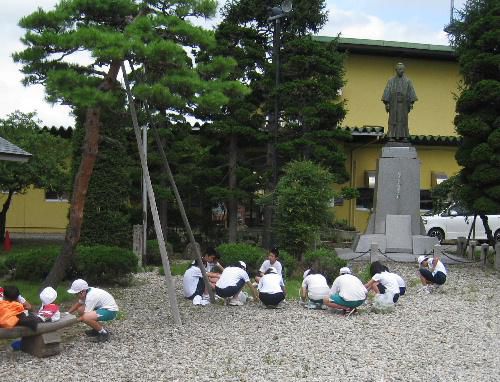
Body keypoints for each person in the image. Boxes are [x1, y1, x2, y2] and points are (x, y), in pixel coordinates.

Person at [381, 62, 418, 141]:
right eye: (399, 69)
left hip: (404, 104)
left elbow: (411, 92)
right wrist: (387, 103)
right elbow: (387, 91)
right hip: (394, 104)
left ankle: (404, 136)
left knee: (403, 120)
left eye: (402, 69)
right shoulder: (391, 81)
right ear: (396, 70)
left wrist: (411, 103)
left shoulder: (408, 81)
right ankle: (391, 136)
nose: (401, 71)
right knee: (392, 119)